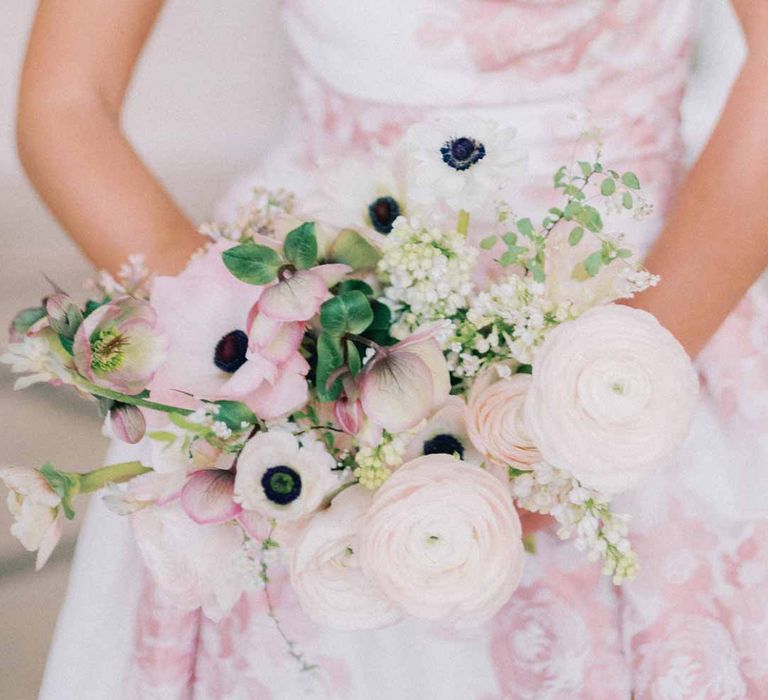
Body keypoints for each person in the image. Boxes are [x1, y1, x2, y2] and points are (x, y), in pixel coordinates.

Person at [18, 1, 768, 698]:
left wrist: (616, 385)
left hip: (658, 293)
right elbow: (66, 105)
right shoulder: (271, 365)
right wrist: (253, 357)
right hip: (308, 327)